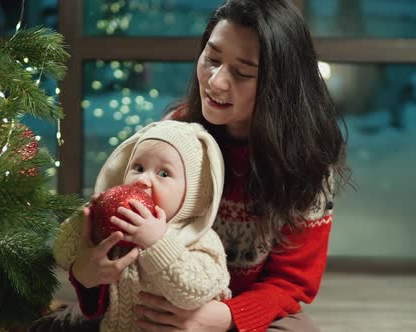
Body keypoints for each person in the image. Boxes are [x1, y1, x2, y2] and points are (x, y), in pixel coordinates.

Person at [132, 0, 350, 331]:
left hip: (243, 310)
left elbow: (291, 283)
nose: (217, 82)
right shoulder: (176, 132)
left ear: (281, 83)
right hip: (167, 295)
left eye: (243, 73)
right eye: (212, 59)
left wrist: (226, 317)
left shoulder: (308, 160)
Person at [48, 120, 232, 332]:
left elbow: (194, 291)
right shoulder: (117, 229)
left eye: (163, 174)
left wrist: (157, 242)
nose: (143, 180)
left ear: (194, 194)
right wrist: (89, 217)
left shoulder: (199, 239)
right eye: (138, 168)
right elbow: (62, 253)